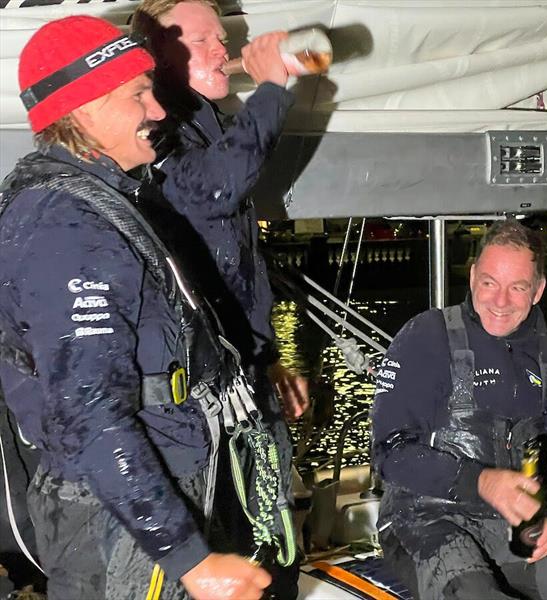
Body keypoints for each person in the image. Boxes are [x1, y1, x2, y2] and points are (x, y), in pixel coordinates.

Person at [0, 16, 271, 599]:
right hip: (117, 523)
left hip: (154, 491)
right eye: (137, 94)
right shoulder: (65, 225)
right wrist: (189, 557)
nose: (158, 110)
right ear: (84, 109)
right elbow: (88, 411)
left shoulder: (109, 199)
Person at [130, 2, 309, 595]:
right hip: (199, 408)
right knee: (228, 555)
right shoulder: (151, 134)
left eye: (222, 37)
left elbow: (236, 272)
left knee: (271, 550)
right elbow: (213, 187)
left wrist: (270, 357)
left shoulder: (209, 124)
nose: (222, 51)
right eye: (201, 39)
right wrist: (273, 89)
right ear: (156, 55)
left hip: (244, 380)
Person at [372, 220, 547, 600]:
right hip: (426, 522)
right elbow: (389, 453)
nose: (500, 302)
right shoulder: (425, 335)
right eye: (489, 283)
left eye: (517, 287)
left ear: (538, 291)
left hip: (513, 526)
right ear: (472, 277)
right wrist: (481, 481)